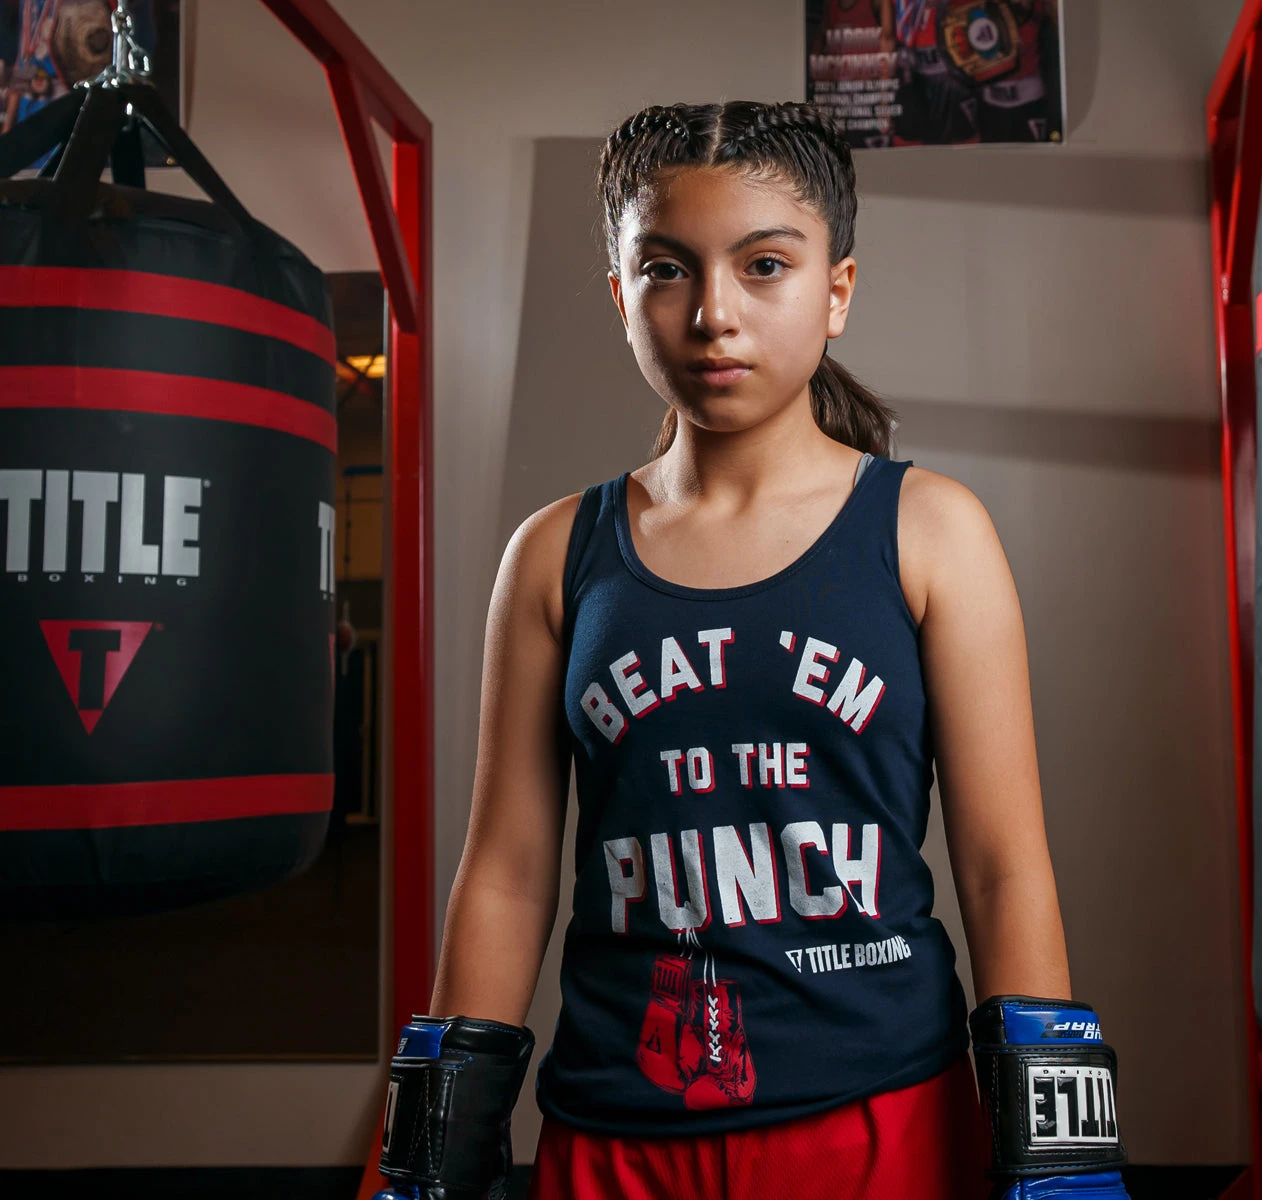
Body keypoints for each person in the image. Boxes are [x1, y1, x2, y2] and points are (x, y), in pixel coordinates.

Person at [374, 100, 1130, 1200]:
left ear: (836, 293)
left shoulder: (930, 531)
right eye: (667, 269)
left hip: (881, 1117)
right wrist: (435, 1145)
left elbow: (1002, 866)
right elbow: (508, 870)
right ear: (622, 294)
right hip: (619, 1120)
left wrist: (1056, 1149)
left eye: (764, 266)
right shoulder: (554, 556)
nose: (714, 313)